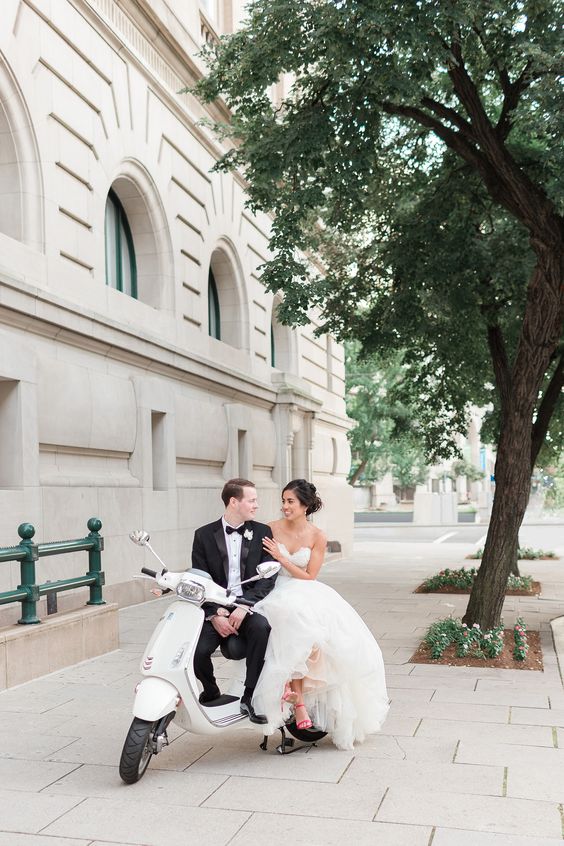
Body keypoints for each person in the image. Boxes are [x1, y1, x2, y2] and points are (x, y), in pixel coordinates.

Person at [251, 479, 389, 750]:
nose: (285, 506)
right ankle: (295, 701)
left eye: (290, 501)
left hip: (304, 588)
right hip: (274, 589)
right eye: (283, 501)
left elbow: (310, 575)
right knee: (286, 625)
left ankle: (298, 698)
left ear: (305, 505)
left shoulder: (317, 536)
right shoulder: (269, 528)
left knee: (313, 632)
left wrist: (283, 559)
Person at [191, 478, 278, 724]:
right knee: (196, 651)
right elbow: (199, 579)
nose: (256, 505)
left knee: (261, 628)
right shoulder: (203, 535)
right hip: (215, 606)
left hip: (246, 605)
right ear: (233, 502)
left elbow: (269, 577)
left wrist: (244, 605)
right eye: (252, 500)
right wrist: (213, 614)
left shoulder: (262, 532)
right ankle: (210, 692)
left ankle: (248, 698)